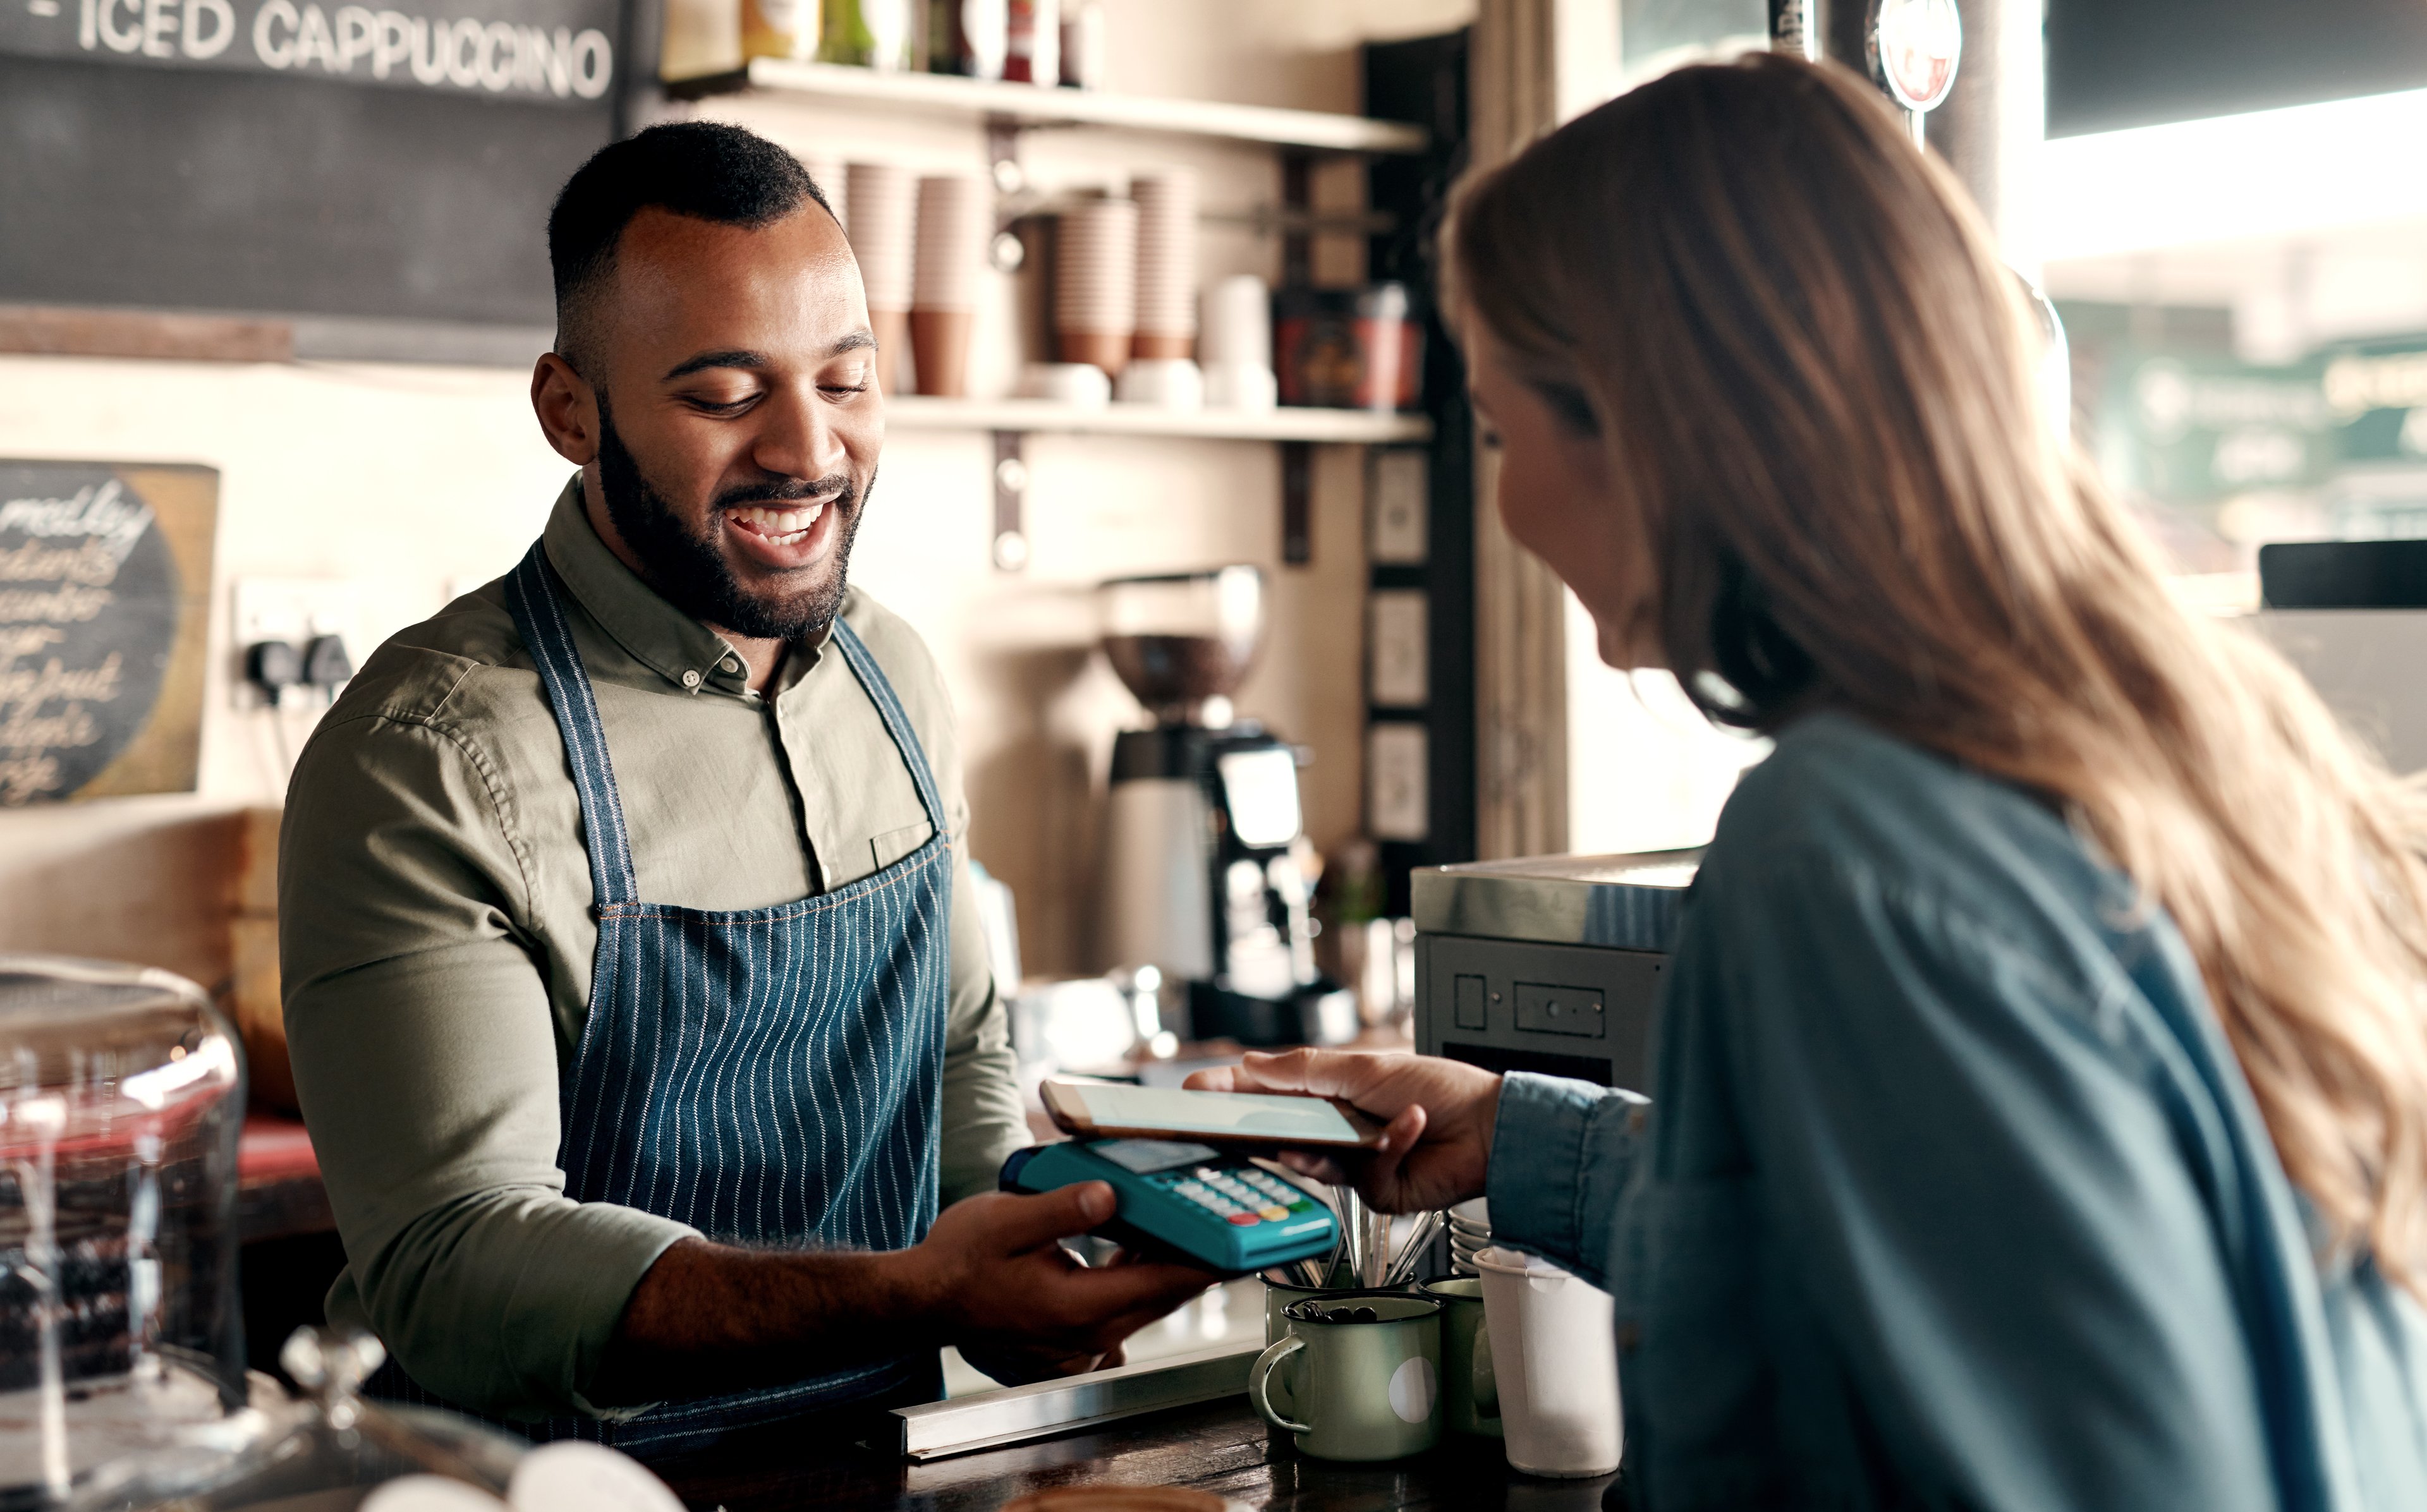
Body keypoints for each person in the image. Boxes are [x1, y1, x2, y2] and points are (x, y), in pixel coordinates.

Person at [1196, 56, 2427, 1511]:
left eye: (1510, 432)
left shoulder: (1842, 848)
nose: (1510, 500)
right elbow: (1980, 1250)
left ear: (1656, 437)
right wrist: (1526, 1143)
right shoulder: (2195, 736)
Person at [278, 123, 1208, 1454]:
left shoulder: (895, 676)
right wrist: (911, 1293)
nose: (807, 449)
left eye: (848, 380)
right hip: (540, 1491)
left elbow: (956, 1055)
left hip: (880, 1459)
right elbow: (455, 1262)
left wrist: (1029, 1236)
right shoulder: (433, 755)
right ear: (569, 410)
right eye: (725, 396)